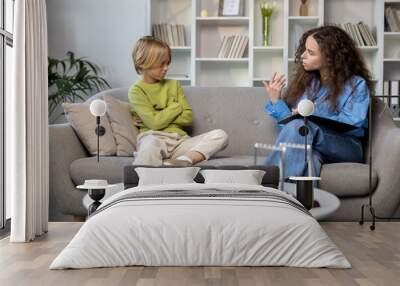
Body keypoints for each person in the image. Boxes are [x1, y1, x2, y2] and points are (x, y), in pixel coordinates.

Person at [263, 25, 373, 178]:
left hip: (347, 146)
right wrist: (276, 100)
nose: (302, 55)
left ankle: (266, 181)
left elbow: (353, 124)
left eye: (310, 52)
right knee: (310, 158)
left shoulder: (356, 84)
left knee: (300, 126)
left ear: (330, 57)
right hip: (311, 144)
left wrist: (312, 114)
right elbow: (291, 129)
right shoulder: (309, 83)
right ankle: (302, 201)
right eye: (304, 50)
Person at [128, 36, 228, 166]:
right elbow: (155, 123)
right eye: (161, 64)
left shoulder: (174, 84)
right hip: (154, 138)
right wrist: (175, 107)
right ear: (144, 62)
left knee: (220, 135)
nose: (166, 68)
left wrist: (159, 114)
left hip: (180, 142)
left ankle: (183, 161)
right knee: (149, 146)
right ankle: (151, 168)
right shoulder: (136, 91)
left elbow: (188, 117)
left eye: (168, 63)